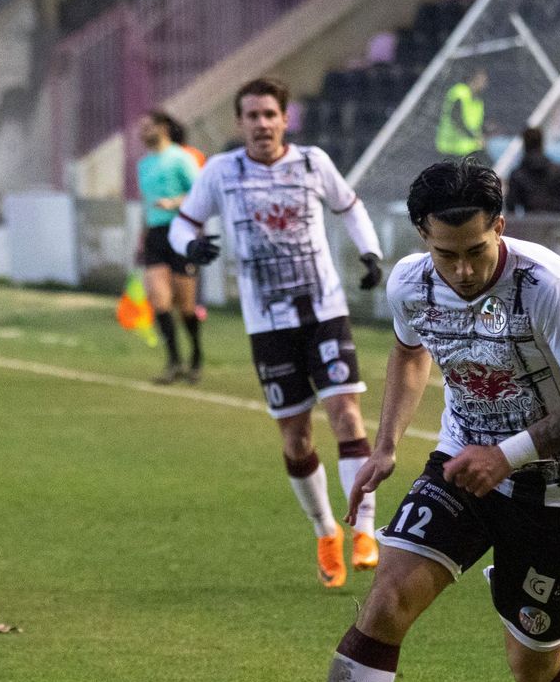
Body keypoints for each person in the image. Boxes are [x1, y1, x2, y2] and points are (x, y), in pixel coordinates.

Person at [258, 158, 560, 682]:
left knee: (530, 659)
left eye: (475, 251)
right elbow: (408, 353)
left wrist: (510, 454)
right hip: (461, 463)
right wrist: (388, 443)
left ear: (501, 227)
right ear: (423, 236)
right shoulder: (411, 281)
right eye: (445, 253)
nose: (460, 270)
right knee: (387, 599)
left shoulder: (553, 287)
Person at [170, 77, 387, 588]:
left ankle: (366, 529)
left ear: (285, 118)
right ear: (240, 122)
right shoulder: (221, 172)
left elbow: (350, 206)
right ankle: (325, 531)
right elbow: (184, 223)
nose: (262, 123)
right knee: (295, 436)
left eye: (271, 114)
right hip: (267, 320)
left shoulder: (313, 162)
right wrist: (189, 248)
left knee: (346, 414)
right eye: (252, 115)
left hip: (324, 309)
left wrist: (370, 253)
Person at [136, 110, 203, 383]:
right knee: (160, 300)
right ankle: (174, 361)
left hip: (180, 232)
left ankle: (196, 356)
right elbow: (146, 205)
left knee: (186, 305)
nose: (142, 132)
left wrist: (174, 202)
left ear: (162, 128)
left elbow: (201, 192)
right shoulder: (143, 164)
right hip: (155, 235)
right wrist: (141, 237)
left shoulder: (181, 158)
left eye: (147, 126)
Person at [504, 127, 560, 217]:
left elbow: (511, 207)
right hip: (556, 227)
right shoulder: (558, 170)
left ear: (524, 145)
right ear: (542, 144)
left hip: (530, 227)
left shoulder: (517, 175)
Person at [436, 68, 488, 162]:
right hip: (451, 147)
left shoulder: (478, 100)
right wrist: (474, 137)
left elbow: (477, 124)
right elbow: (456, 118)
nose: (485, 83)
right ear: (473, 78)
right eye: (482, 79)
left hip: (469, 148)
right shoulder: (460, 92)